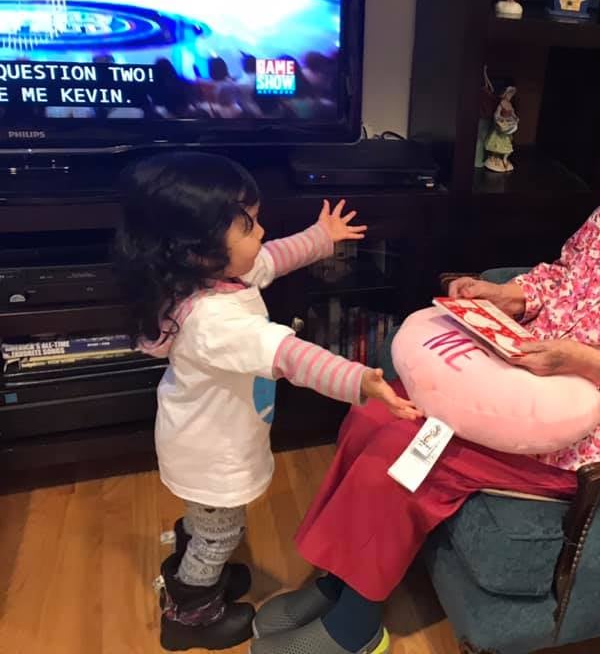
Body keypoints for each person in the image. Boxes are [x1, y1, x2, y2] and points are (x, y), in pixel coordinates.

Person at [249, 37, 600, 654]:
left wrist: (587, 363)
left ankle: (356, 628)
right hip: (520, 368)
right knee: (374, 410)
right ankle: (337, 582)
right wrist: (511, 296)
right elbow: (568, 272)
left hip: (595, 423)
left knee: (405, 448)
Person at [114, 152, 418, 652]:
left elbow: (272, 258)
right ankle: (190, 615)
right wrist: (361, 380)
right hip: (212, 452)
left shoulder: (210, 278)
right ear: (198, 250)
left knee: (208, 523)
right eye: (249, 224)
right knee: (219, 531)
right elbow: (292, 355)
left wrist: (321, 237)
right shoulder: (215, 320)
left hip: (198, 440)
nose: (261, 231)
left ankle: (196, 569)